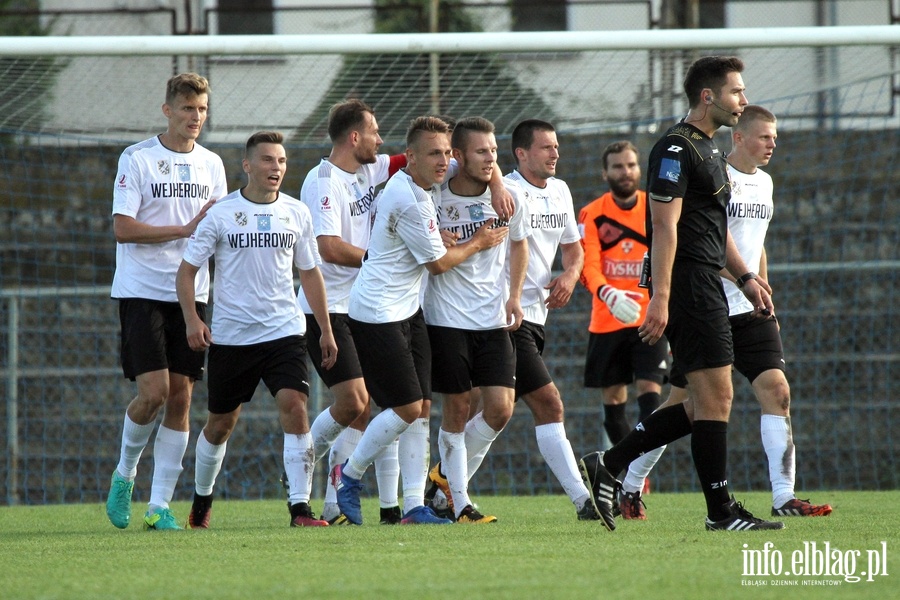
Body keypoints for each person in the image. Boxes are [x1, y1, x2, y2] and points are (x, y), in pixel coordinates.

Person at [579, 55, 785, 531]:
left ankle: (611, 463)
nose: (744, 100)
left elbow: (717, 231)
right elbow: (665, 228)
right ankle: (719, 511)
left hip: (709, 280)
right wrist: (661, 298)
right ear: (708, 96)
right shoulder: (675, 147)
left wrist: (747, 278)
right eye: (737, 91)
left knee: (700, 403)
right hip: (689, 285)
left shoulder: (711, 151)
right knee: (716, 398)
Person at [619, 106, 832, 519]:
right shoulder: (712, 174)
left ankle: (783, 497)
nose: (772, 144)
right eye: (765, 136)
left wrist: (761, 290)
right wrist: (735, 281)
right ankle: (629, 482)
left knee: (778, 391)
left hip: (749, 307)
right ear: (738, 138)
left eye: (775, 137)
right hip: (707, 305)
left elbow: (757, 244)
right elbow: (700, 241)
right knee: (685, 406)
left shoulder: (765, 183)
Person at [333, 116, 508, 525]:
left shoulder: (421, 183)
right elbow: (439, 264)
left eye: (447, 153)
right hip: (376, 313)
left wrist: (497, 183)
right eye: (434, 153)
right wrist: (477, 241)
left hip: (408, 311)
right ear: (409, 157)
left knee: (423, 408)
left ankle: (414, 506)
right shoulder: (409, 197)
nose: (444, 161)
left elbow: (480, 156)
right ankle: (349, 474)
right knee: (408, 407)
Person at [427, 119, 601, 524]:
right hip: (502, 318)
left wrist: (570, 277)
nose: (555, 153)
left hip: (533, 316)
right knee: (545, 403)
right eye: (545, 147)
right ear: (520, 154)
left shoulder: (558, 191)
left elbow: (574, 251)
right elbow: (444, 168)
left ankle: (444, 487)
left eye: (556, 146)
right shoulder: (500, 189)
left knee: (489, 411)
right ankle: (582, 501)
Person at [176, 131, 337, 528]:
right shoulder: (221, 213)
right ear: (247, 166)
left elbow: (311, 273)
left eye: (281, 161)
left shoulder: (297, 212)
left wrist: (326, 329)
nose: (276, 168)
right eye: (267, 160)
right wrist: (193, 320)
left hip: (285, 332)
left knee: (296, 409)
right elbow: (186, 271)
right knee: (220, 425)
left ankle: (300, 509)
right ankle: (201, 501)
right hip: (233, 337)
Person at [106, 73, 226, 531]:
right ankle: (124, 474)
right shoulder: (137, 158)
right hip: (142, 291)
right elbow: (122, 228)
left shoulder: (212, 164)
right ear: (168, 111)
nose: (196, 117)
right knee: (152, 394)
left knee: (182, 398)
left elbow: (213, 230)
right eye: (188, 109)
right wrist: (182, 229)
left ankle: (159, 507)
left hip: (191, 294)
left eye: (202, 110)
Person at [299, 99, 406, 525]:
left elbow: (409, 157)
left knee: (364, 409)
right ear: (354, 137)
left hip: (361, 307)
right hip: (327, 309)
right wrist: (379, 259)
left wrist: (491, 180)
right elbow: (328, 248)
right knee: (353, 402)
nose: (381, 140)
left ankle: (332, 506)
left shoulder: (367, 168)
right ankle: (299, 459)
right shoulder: (323, 182)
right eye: (375, 132)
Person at [422, 116, 529, 524]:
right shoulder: (434, 190)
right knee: (457, 408)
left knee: (501, 409)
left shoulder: (508, 197)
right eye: (481, 152)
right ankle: (460, 503)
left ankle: (444, 476)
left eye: (495, 152)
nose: (490, 159)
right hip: (446, 317)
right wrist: (442, 234)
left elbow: (519, 245)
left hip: (491, 317)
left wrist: (515, 295)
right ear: (458, 156)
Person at [577, 141, 668, 500]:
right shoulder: (592, 213)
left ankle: (634, 473)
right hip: (607, 320)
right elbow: (589, 265)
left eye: (631, 165)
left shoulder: (655, 207)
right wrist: (607, 294)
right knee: (613, 404)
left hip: (650, 319)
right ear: (606, 173)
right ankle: (632, 474)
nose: (625, 172)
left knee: (651, 395)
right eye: (617, 167)